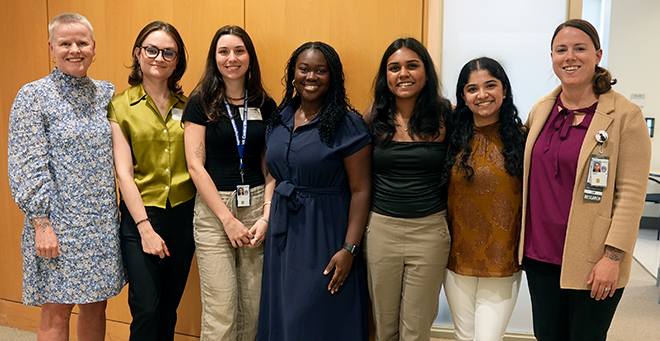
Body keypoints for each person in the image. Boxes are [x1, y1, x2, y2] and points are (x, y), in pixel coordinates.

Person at [520, 19, 651, 341]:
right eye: (561, 50)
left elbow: (632, 193)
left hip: (593, 257)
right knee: (547, 336)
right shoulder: (542, 109)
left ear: (597, 54)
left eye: (580, 48)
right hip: (540, 254)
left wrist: (613, 257)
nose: (570, 57)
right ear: (552, 56)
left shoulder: (625, 116)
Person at [7, 12, 125, 340]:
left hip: (100, 222)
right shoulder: (33, 96)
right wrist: (41, 225)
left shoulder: (105, 94)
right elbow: (26, 164)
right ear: (51, 48)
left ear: (94, 47)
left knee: (96, 304)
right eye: (65, 43)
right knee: (57, 308)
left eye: (82, 42)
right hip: (56, 224)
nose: (75, 49)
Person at [257, 42, 372, 341]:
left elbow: (361, 190)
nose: (311, 77)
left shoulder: (349, 125)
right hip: (283, 233)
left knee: (316, 317)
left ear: (332, 76)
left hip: (325, 231)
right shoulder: (279, 120)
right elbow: (272, 172)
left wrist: (349, 249)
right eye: (304, 69)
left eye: (321, 71)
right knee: (284, 315)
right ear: (292, 74)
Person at [183, 25, 276, 340]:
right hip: (214, 212)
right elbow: (195, 165)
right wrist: (227, 219)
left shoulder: (265, 104)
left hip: (257, 207)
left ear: (249, 57)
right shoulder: (201, 103)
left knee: (253, 306)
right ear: (214, 58)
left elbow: (271, 165)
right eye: (224, 51)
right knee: (221, 308)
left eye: (239, 51)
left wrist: (266, 215)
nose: (232, 58)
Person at [108, 21, 195, 341]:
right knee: (146, 307)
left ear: (177, 60)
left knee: (168, 307)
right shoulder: (119, 106)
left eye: (168, 52)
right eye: (151, 49)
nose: (159, 57)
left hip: (184, 216)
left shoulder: (189, 107)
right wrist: (145, 229)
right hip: (141, 216)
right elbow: (124, 174)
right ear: (138, 53)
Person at [363, 37, 452, 341]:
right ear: (385, 76)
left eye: (412, 65)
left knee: (416, 329)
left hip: (429, 232)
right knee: (384, 326)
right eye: (394, 67)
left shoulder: (446, 115)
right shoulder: (372, 118)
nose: (403, 73)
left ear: (426, 72)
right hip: (381, 230)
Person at [444, 57, 526, 341]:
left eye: (490, 85)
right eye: (472, 89)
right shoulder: (450, 137)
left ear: (504, 90)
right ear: (463, 96)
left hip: (502, 260)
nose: (482, 95)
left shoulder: (524, 139)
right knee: (464, 336)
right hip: (456, 258)